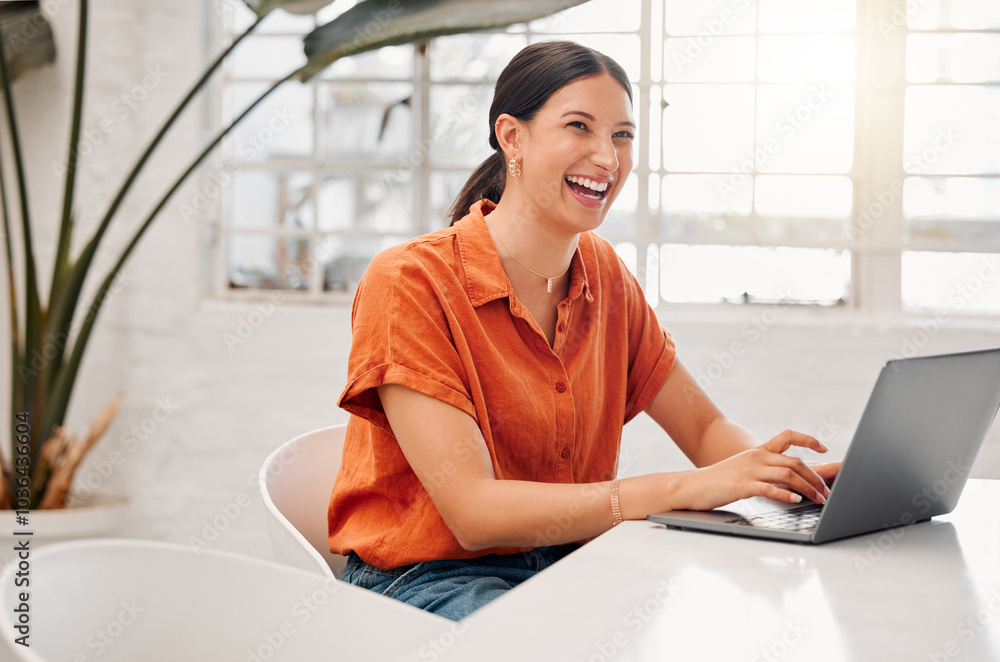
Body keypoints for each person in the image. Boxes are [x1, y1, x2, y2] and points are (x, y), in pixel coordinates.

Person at [328, 40, 840, 622]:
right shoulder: (411, 282)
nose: (607, 157)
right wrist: (682, 490)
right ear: (511, 136)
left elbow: (705, 428)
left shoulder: (602, 273)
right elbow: (473, 513)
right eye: (580, 126)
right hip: (429, 580)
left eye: (622, 135)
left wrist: (784, 477)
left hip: (573, 559)